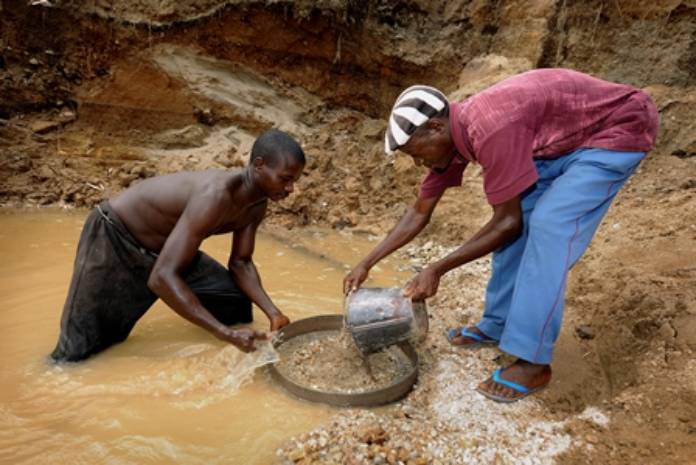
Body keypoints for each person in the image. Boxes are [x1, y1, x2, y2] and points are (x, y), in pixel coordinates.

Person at [343, 69, 658, 402]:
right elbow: (420, 211)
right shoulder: (453, 138)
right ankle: (498, 323)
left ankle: (534, 362)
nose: (420, 163)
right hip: (559, 144)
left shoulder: (491, 127)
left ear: (435, 127)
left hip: (618, 128)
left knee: (549, 226)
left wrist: (436, 268)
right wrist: (366, 262)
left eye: (417, 153)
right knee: (520, 224)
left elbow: (506, 222)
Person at [51, 129, 305, 362]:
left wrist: (274, 313)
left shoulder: (257, 203)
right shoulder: (215, 196)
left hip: (166, 250)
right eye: (285, 179)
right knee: (77, 350)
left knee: (233, 300)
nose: (291, 188)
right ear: (259, 165)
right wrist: (224, 334)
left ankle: (239, 342)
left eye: (294, 180)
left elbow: (241, 263)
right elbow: (161, 277)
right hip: (115, 237)